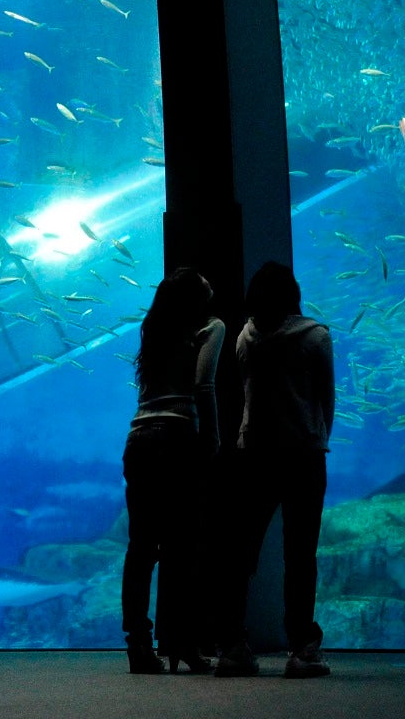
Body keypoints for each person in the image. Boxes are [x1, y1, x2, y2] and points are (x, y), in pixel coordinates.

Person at [215, 261, 333, 680]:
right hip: (303, 455)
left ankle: (233, 645)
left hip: (253, 455)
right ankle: (302, 648)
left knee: (240, 553)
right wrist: (317, 435)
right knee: (300, 555)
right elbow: (326, 397)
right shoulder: (316, 336)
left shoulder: (244, 337)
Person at [122, 266, 224, 675]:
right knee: (182, 547)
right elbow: (204, 385)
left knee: (142, 548)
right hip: (179, 437)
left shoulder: (155, 333)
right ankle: (184, 644)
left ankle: (139, 646)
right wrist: (212, 439)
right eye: (206, 285)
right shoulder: (211, 327)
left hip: (140, 440)